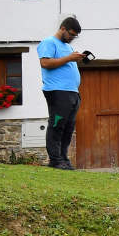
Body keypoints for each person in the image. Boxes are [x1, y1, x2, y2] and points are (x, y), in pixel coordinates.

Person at [37, 15, 87, 169]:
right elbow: (45, 63)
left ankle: (63, 159)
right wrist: (69, 58)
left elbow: (66, 61)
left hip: (72, 93)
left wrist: (75, 58)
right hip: (57, 92)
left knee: (68, 127)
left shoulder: (68, 47)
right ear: (63, 28)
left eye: (75, 36)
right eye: (71, 34)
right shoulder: (49, 43)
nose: (72, 38)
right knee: (57, 124)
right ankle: (55, 160)